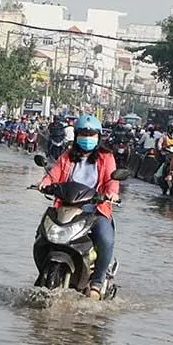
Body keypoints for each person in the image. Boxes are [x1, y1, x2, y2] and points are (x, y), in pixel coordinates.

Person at [37, 114, 119, 300]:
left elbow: (112, 181)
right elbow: (54, 174)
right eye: (83, 134)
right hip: (66, 207)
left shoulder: (106, 158)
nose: (87, 138)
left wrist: (112, 193)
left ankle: (97, 283)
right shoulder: (67, 156)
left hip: (95, 209)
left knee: (105, 239)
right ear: (76, 136)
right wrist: (45, 183)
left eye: (91, 135)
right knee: (42, 234)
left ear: (98, 137)